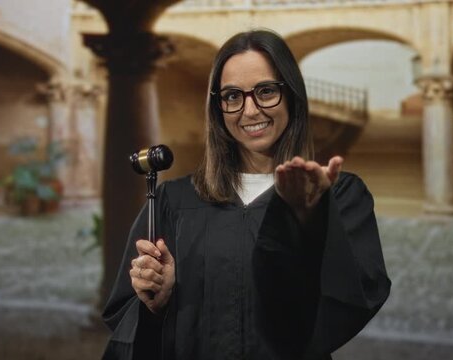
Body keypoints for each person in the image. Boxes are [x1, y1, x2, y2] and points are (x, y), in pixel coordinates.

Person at [101, 29, 391, 360]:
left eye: (266, 91)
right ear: (218, 107)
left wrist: (307, 222)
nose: (250, 111)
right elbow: (125, 316)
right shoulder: (175, 201)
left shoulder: (338, 196)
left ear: (292, 94)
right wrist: (157, 303)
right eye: (232, 96)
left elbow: (349, 303)